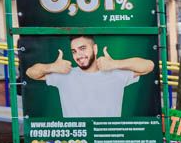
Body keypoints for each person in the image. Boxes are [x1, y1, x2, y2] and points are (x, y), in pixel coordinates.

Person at [26, 35, 155, 118]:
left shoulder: (115, 73)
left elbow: (149, 66)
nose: (79, 55)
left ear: (95, 49)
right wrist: (52, 67)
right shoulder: (65, 75)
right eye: (74, 51)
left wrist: (115, 64)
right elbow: (31, 73)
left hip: (108, 139)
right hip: (76, 142)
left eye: (82, 48)